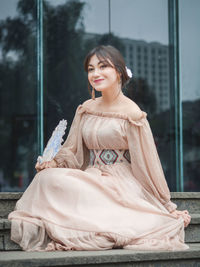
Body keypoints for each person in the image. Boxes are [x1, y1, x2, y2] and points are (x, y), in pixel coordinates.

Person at [8, 45, 191, 251]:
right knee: (46, 177)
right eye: (91, 69)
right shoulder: (86, 108)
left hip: (120, 184)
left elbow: (147, 164)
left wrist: (166, 205)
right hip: (92, 177)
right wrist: (54, 162)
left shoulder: (132, 114)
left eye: (103, 66)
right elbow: (72, 150)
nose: (95, 73)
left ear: (119, 71)